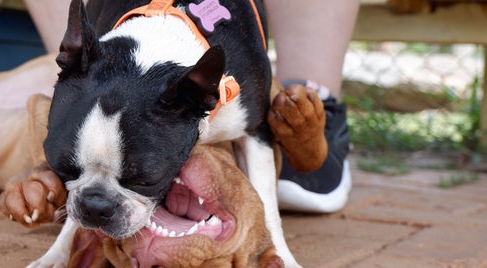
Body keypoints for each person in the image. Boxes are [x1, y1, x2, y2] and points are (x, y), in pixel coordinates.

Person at [21, 0, 361, 213]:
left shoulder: (239, 85)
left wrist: (273, 245)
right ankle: (89, 101)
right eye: (70, 168)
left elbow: (251, 133)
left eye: (141, 179)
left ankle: (315, 102)